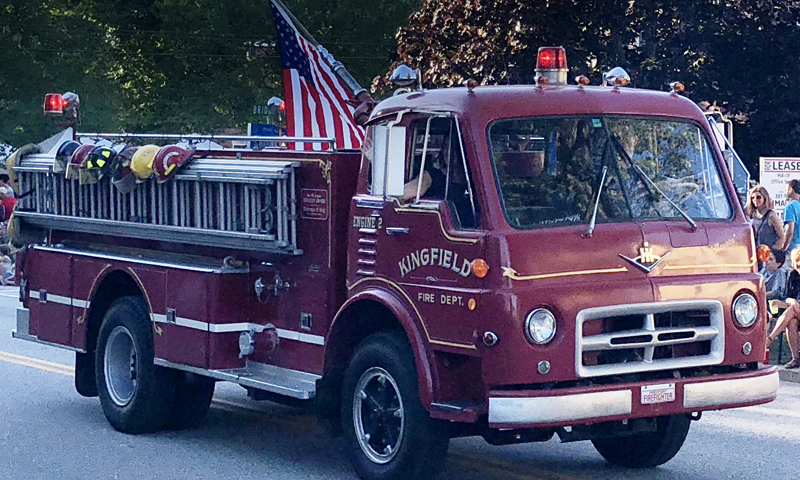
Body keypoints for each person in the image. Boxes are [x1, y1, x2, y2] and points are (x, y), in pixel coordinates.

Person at [767, 248, 800, 368]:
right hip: (797, 312)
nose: (799, 263)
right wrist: (788, 301)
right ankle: (796, 359)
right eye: (797, 260)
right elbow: (789, 298)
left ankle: (769, 339)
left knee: (791, 310)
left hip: (796, 309)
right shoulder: (793, 275)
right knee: (791, 321)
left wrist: (791, 303)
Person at [744, 185, 784, 252]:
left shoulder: (771, 215)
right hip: (755, 252)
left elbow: (782, 237)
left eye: (758, 197)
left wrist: (773, 251)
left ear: (765, 198)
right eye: (752, 198)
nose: (755, 200)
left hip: (767, 253)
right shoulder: (751, 214)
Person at [782, 179, 800, 258]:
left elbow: (789, 232)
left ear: (790, 189)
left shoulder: (790, 207)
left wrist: (783, 249)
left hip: (793, 250)